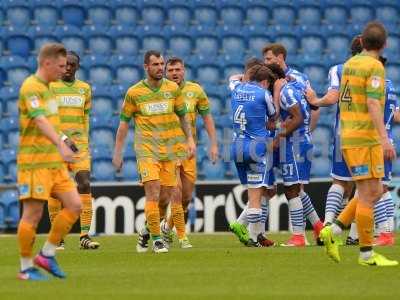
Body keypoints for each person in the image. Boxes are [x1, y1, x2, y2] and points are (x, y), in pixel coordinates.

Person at [319, 22, 398, 266]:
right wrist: (385, 139)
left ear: (362, 42)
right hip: (365, 138)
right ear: (384, 45)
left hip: (349, 135)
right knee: (368, 194)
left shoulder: (349, 65)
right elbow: (374, 104)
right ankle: (366, 254)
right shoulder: (375, 67)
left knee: (371, 191)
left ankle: (332, 231)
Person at [112, 50, 196, 254]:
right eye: (156, 64)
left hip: (169, 151)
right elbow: (123, 124)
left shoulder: (172, 89)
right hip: (146, 150)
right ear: (146, 67)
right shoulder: (134, 93)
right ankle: (157, 239)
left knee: (165, 198)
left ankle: (146, 231)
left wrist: (190, 140)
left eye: (161, 64)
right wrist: (118, 152)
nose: (160, 68)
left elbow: (183, 116)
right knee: (153, 191)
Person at [17, 43, 82, 280]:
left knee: (75, 205)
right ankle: (25, 268)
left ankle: (46, 254)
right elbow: (40, 121)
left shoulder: (50, 88)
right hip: (35, 162)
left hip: (54, 163)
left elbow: (52, 122)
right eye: (61, 65)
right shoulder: (31, 87)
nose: (65, 70)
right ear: (47, 63)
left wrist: (64, 140)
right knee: (32, 215)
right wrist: (60, 144)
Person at [305, 36, 363, 245]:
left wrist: (315, 101)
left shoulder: (338, 69)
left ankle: (328, 225)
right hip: (363, 135)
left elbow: (331, 98)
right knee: (362, 185)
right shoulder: (371, 69)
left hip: (342, 134)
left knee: (340, 182)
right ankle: (354, 235)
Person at [263, 44, 323, 244]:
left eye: (269, 59)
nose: (266, 62)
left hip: (295, 141)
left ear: (280, 58)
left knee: (292, 188)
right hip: (294, 139)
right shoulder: (292, 83)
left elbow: (306, 111)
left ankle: (299, 235)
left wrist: (288, 135)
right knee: (297, 189)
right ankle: (318, 227)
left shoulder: (292, 83)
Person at [159, 57, 218, 248]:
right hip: (168, 150)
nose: (174, 73)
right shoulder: (160, 92)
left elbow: (207, 118)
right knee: (175, 193)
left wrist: (214, 144)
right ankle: (182, 237)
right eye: (171, 70)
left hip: (189, 151)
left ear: (183, 70)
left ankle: (167, 228)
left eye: (178, 69)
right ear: (166, 73)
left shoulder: (195, 90)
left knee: (186, 197)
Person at [48, 51, 99, 250]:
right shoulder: (51, 87)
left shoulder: (85, 89)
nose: (68, 68)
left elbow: (85, 117)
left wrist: (83, 140)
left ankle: (84, 236)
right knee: (55, 191)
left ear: (77, 67)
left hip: (80, 147)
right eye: (65, 64)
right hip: (56, 145)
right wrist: (63, 138)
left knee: (85, 184)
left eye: (72, 65)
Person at [229, 64, 277, 247]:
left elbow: (232, 77)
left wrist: (246, 77)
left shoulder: (237, 87)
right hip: (256, 149)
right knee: (257, 198)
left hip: (237, 148)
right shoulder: (263, 93)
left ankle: (250, 233)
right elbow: (273, 117)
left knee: (253, 193)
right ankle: (243, 229)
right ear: (265, 82)